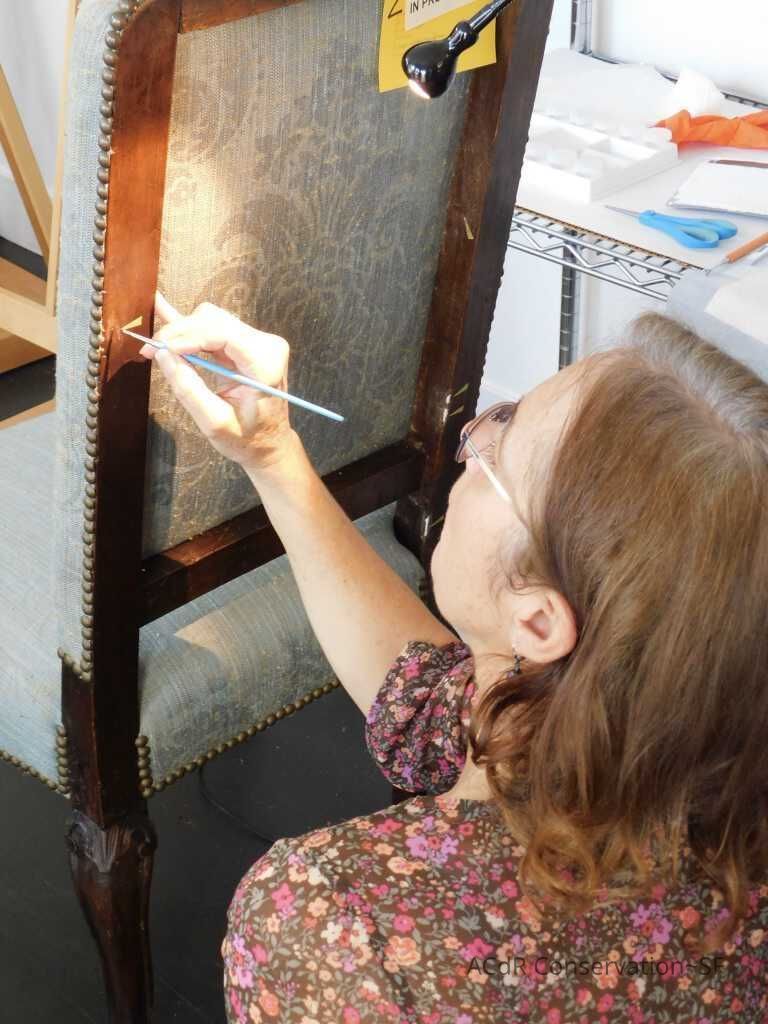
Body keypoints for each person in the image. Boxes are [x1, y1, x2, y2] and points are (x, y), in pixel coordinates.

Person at [140, 297, 768, 1023]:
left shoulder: (343, 930)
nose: (470, 439)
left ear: (538, 620)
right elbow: (430, 696)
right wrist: (272, 453)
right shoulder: (669, 725)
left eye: (500, 443)